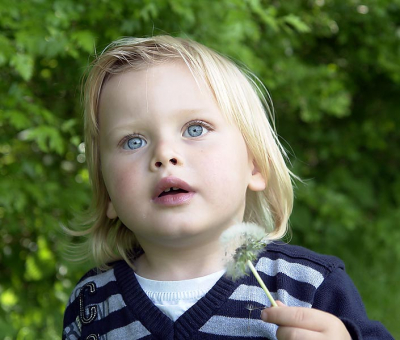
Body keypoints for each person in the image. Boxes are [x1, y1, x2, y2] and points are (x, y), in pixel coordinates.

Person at [62, 35, 393, 340]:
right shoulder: (91, 303)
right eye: (133, 140)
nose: (164, 155)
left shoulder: (308, 287)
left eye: (195, 129)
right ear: (108, 195)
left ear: (254, 165)